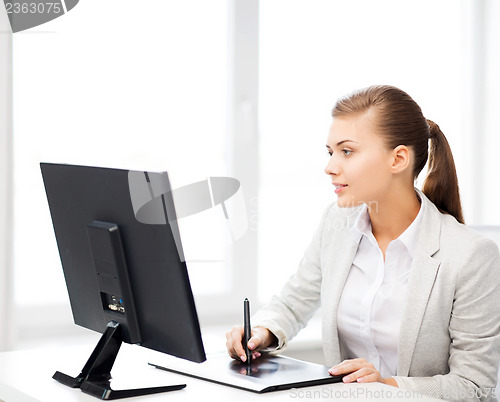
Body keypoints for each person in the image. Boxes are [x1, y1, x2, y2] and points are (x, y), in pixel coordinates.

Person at [225, 85, 500, 401]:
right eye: (330, 152)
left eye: (347, 151)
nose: (330, 167)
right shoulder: (337, 222)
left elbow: (476, 387)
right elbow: (295, 299)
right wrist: (261, 332)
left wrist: (388, 385)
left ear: (397, 159)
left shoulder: (472, 256)